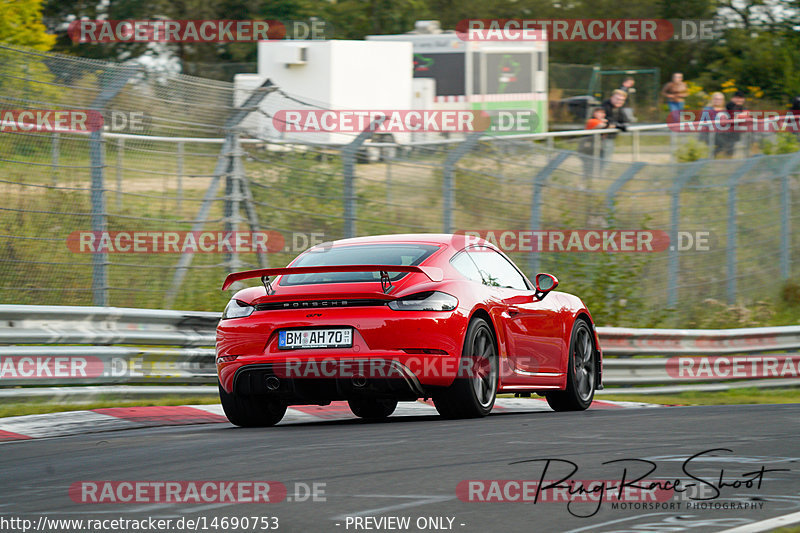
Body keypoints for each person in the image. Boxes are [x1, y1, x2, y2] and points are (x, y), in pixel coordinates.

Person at [578, 107, 609, 182]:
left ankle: (594, 181)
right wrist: (608, 123)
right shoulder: (592, 121)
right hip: (587, 147)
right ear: (594, 113)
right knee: (589, 166)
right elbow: (602, 126)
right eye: (599, 112)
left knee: (598, 165)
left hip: (596, 147)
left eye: (603, 113)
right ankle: (586, 182)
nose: (602, 114)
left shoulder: (600, 121)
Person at [599, 90, 629, 163]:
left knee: (606, 159)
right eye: (617, 99)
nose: (619, 101)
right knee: (601, 160)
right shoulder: (604, 107)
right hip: (599, 139)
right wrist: (617, 125)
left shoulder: (619, 108)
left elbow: (625, 121)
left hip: (609, 137)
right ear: (612, 98)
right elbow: (607, 121)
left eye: (622, 100)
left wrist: (619, 125)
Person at [720, 90, 747, 156]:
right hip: (726, 131)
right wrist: (744, 114)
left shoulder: (740, 107)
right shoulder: (730, 105)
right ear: (733, 98)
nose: (739, 100)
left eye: (741, 98)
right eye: (737, 98)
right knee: (726, 148)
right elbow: (736, 116)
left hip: (733, 131)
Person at [700, 92, 726, 156]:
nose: (718, 101)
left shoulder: (725, 110)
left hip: (721, 133)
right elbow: (703, 123)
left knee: (723, 144)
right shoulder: (707, 109)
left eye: (720, 99)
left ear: (723, 101)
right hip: (708, 133)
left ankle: (713, 156)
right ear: (713, 100)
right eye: (716, 99)